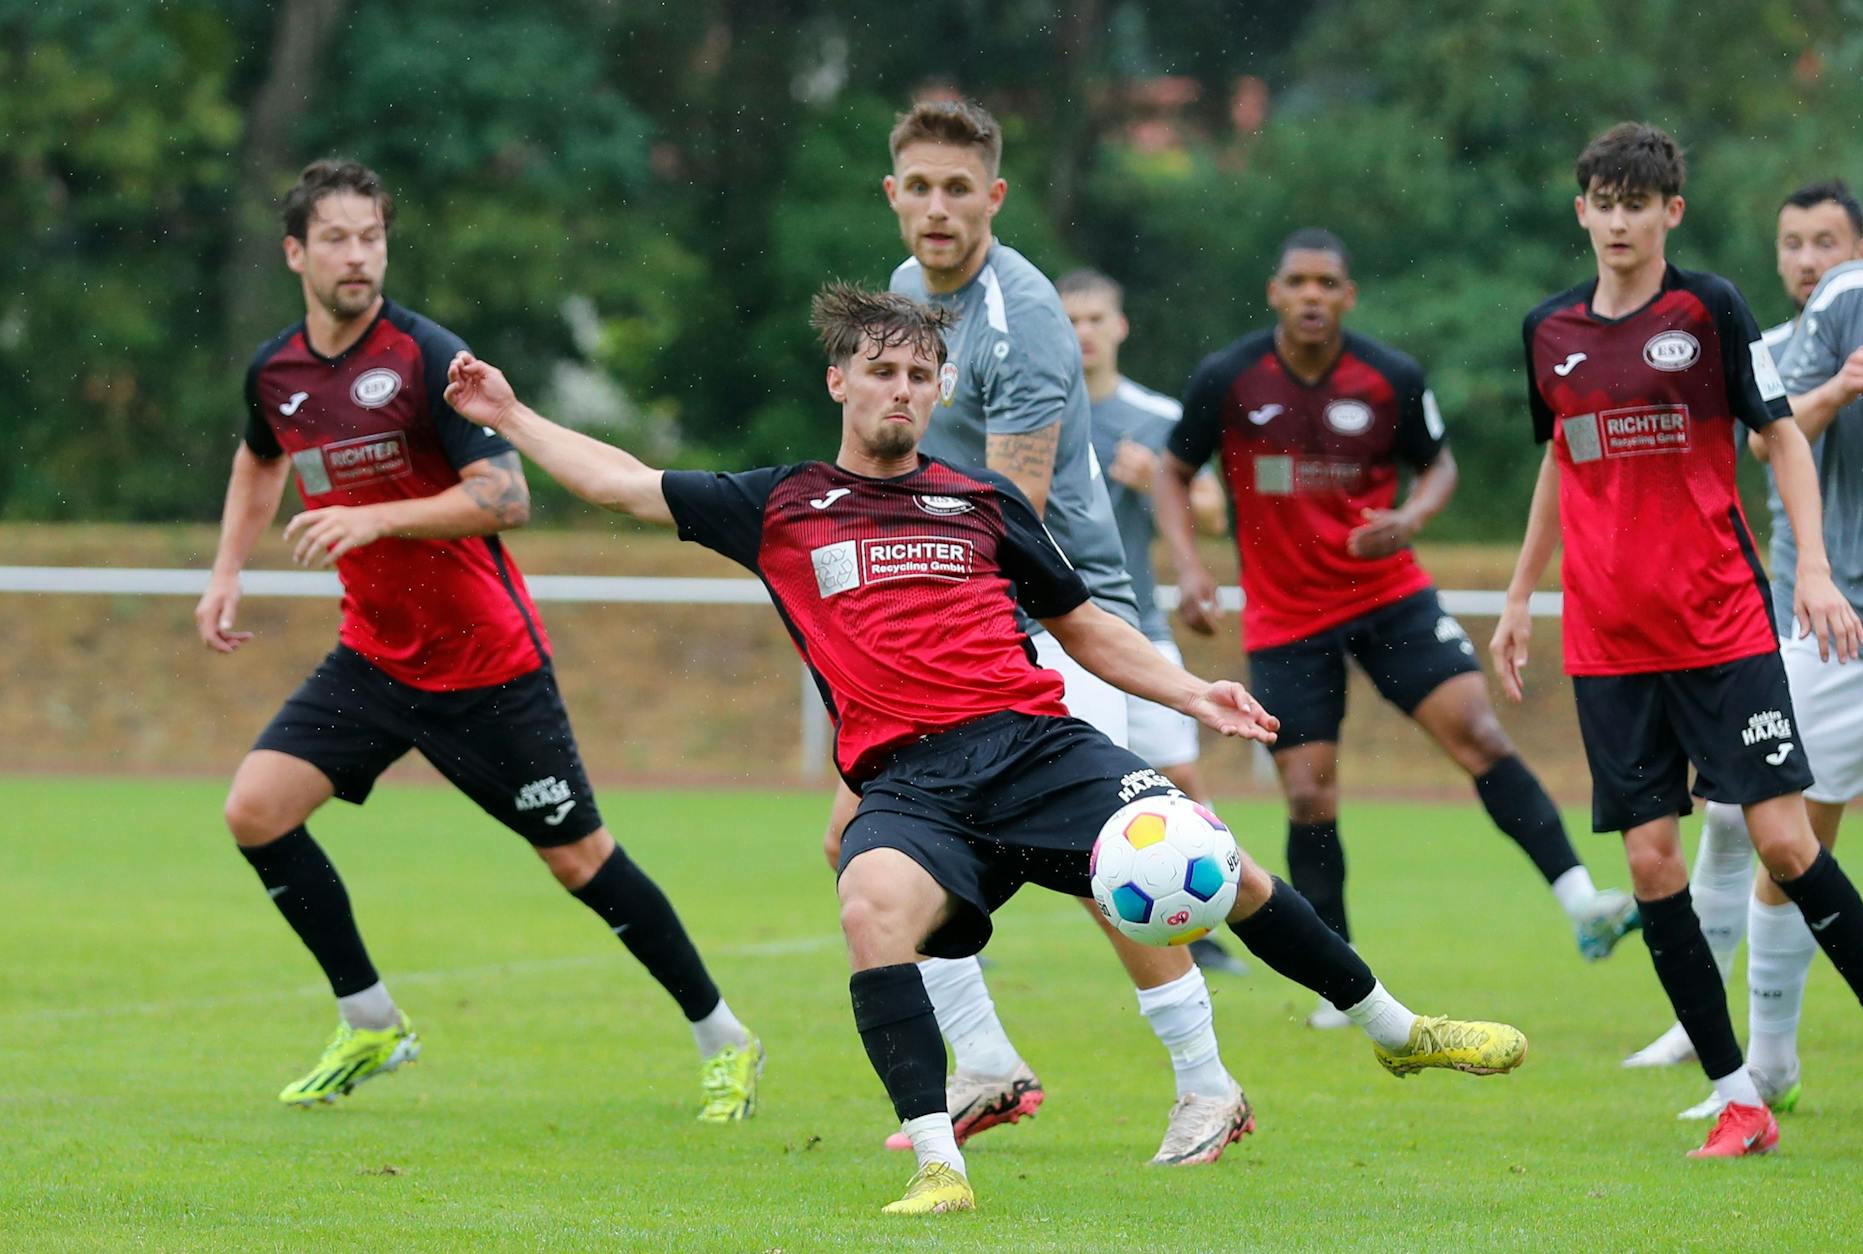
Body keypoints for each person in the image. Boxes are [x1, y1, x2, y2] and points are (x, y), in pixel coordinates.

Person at [443, 281, 1529, 1215]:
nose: (902, 389)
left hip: (1036, 748)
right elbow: (619, 482)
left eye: (921, 373)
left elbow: (1085, 626)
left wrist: (1192, 689)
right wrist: (511, 414)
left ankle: (1393, 1028)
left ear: (940, 390)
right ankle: (937, 1161)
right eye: (881, 370)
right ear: (840, 382)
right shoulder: (779, 504)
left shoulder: (979, 500)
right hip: (909, 783)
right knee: (870, 905)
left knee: (1210, 861)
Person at [195, 159, 760, 1118]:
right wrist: (225, 569)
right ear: (296, 251)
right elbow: (260, 461)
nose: (358, 255)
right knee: (255, 811)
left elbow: (508, 497)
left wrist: (378, 520)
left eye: (371, 236)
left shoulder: (423, 356)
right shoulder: (276, 372)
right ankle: (371, 1021)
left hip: (487, 666)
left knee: (580, 860)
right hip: (374, 657)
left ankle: (725, 1038)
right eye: (336, 238)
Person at [837, 98, 1249, 1168]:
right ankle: (982, 1060)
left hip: (1051, 622)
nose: (935, 207)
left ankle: (1207, 1087)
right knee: (865, 845)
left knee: (1116, 873)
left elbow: (1006, 519)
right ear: (892, 194)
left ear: (993, 196)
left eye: (956, 188)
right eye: (917, 187)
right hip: (963, 628)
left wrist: (945, 640)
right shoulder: (901, 299)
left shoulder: (1020, 314)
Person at [1492, 123, 1863, 1158]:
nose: (1616, 221)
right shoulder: (1545, 332)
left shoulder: (1704, 309)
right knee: (1653, 860)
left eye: (1637, 203)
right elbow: (1556, 464)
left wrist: (1806, 567)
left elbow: (1777, 433)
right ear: (1579, 211)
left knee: (1784, 842)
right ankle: (1735, 1095)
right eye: (1600, 202)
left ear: (1670, 211)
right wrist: (1520, 591)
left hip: (1719, 622)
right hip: (1608, 642)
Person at [1155, 228, 1640, 1029]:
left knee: (1480, 734)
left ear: (1348, 297)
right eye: (1298, 282)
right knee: (1309, 793)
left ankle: (1583, 900)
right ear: (1275, 293)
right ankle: (1339, 980)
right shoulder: (1229, 377)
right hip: (1286, 615)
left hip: (1389, 596)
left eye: (1328, 284)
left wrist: (1412, 515)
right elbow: (1174, 471)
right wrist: (1194, 565)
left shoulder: (1390, 376)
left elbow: (1439, 461)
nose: (1313, 296)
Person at [1626, 181, 1863, 1116]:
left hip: (1823, 628)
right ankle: (1757, 1051)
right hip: (1807, 630)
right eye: (1793, 243)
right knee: (1773, 835)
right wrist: (1836, 388)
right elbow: (1764, 444)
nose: (1808, 259)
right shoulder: (1763, 349)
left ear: (1859, 248)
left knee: (1765, 834)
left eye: (1827, 242)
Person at [1057, 266, 1246, 977]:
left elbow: (1213, 512)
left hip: (1134, 623)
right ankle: (962, 924)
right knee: (1062, 786)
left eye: (1095, 319)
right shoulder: (1034, 407)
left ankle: (1209, 920)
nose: (1083, 333)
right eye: (1070, 320)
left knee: (1178, 776)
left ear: (1119, 327)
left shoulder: (1153, 415)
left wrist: (1152, 479)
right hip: (1043, 629)